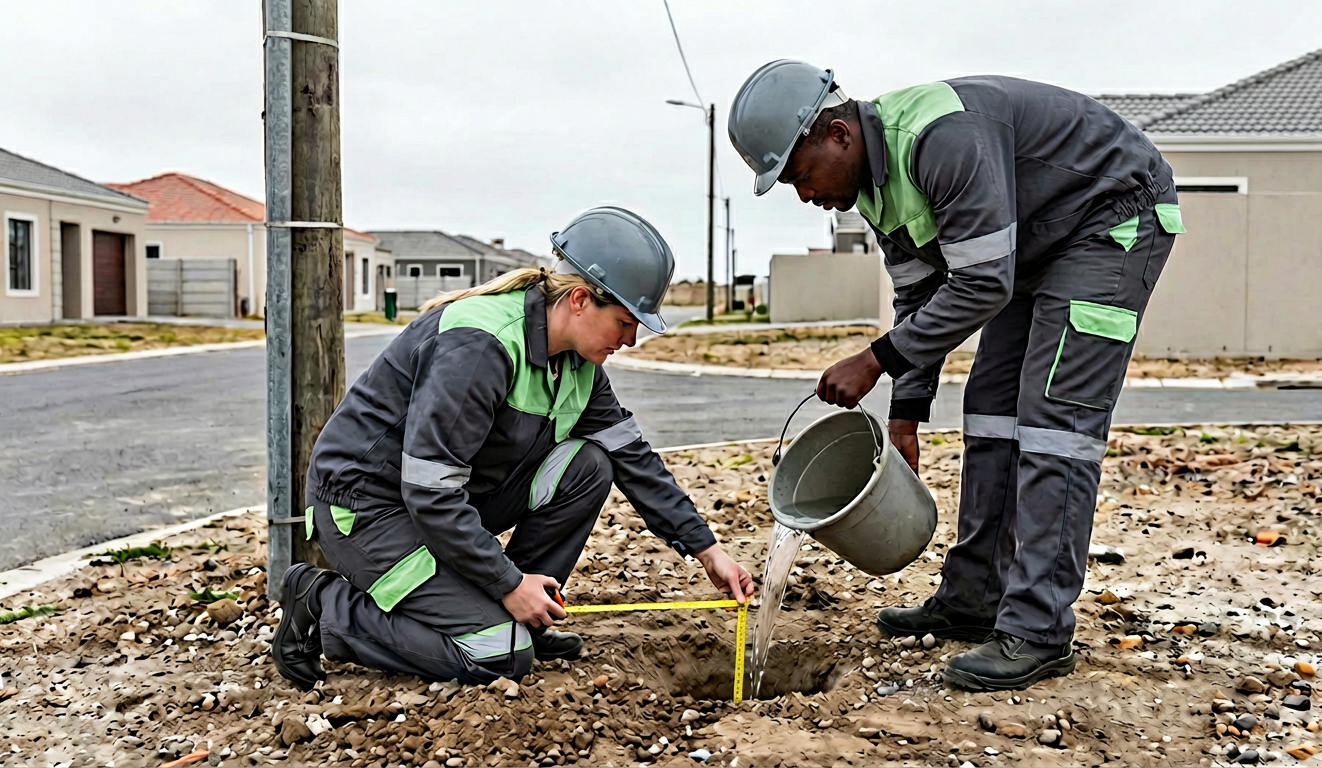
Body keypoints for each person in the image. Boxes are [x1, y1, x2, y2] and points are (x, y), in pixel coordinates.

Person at [728, 62, 1183, 691]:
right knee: (991, 406)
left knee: (1055, 421)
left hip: (1110, 216)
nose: (804, 196)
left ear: (837, 133)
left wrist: (875, 360)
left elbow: (981, 284)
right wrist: (904, 413)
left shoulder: (938, 138)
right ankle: (974, 599)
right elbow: (921, 297)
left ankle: (1038, 629)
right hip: (1033, 247)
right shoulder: (875, 192)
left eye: (800, 176)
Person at [272, 207, 755, 690]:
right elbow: (430, 490)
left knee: (588, 465)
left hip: (437, 504)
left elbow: (633, 459)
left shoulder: (579, 365)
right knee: (496, 653)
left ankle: (524, 615)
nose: (630, 340)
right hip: (367, 509)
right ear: (582, 300)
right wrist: (506, 583)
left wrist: (708, 550)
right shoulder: (481, 346)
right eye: (626, 322)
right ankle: (323, 604)